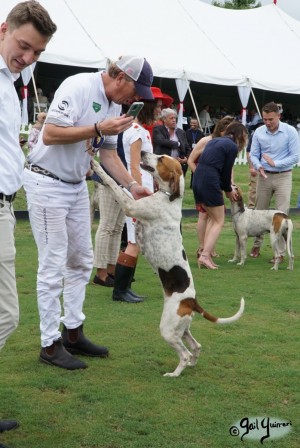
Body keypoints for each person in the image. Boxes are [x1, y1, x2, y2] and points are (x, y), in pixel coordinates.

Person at [23, 55, 154, 370]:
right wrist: (97, 127)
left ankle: (72, 332)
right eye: (136, 90)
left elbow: (108, 154)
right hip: (46, 181)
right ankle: (49, 344)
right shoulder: (79, 85)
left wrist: (132, 185)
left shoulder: (114, 106)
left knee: (81, 261)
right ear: (120, 76)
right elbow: (51, 134)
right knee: (53, 264)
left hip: (74, 185)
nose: (136, 99)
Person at [0, 0, 57, 442]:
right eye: (24, 46)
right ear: (4, 29)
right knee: (6, 315)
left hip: (5, 204)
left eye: (36, 52)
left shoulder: (12, 81)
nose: (27, 58)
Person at [112, 100, 156, 303]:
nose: (156, 113)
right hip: (137, 188)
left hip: (133, 187)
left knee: (134, 239)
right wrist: (138, 192)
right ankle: (120, 290)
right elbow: (135, 165)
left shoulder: (129, 129)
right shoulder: (137, 131)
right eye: (155, 109)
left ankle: (125, 287)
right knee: (134, 241)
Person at [192, 122, 248, 269]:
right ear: (241, 135)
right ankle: (205, 256)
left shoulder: (215, 141)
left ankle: (204, 252)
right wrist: (229, 190)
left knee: (212, 218)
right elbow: (225, 173)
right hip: (210, 180)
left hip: (198, 178)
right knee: (219, 220)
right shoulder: (232, 147)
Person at [249, 101, 300, 261]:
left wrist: (275, 163)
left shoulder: (290, 131)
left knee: (281, 215)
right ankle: (257, 243)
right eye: (265, 119)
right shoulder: (258, 132)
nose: (267, 123)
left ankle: (279, 253)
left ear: (279, 116)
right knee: (259, 211)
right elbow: (254, 154)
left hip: (284, 175)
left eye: (271, 119)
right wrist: (259, 166)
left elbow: (295, 156)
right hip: (264, 176)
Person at [188, 116, 235, 260]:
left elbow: (229, 167)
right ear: (221, 130)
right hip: (206, 181)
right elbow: (191, 160)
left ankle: (209, 247)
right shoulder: (206, 141)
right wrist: (202, 177)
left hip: (217, 182)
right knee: (204, 215)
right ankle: (203, 247)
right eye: (227, 132)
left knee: (213, 216)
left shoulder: (225, 144)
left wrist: (230, 184)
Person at [152, 108, 191, 176]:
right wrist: (178, 144)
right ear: (164, 119)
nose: (174, 120)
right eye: (171, 118)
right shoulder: (158, 129)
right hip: (163, 165)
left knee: (177, 186)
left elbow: (187, 148)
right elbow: (161, 141)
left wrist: (186, 159)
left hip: (178, 165)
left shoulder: (181, 132)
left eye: (175, 118)